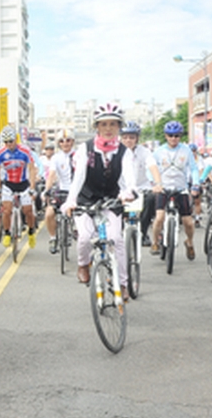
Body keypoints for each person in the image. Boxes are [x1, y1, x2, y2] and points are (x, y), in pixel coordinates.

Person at [60, 102, 139, 297]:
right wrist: (70, 201)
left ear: (119, 127)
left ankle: (122, 283)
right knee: (85, 238)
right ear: (96, 127)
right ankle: (82, 265)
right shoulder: (84, 150)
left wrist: (128, 192)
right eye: (103, 124)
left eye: (113, 124)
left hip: (111, 200)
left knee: (116, 239)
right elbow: (78, 178)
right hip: (86, 200)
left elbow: (130, 179)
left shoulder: (124, 152)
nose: (108, 129)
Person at [151, 121, 200, 260]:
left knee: (188, 222)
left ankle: (189, 242)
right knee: (159, 217)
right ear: (166, 136)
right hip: (163, 188)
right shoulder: (159, 151)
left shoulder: (186, 150)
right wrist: (154, 184)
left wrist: (195, 184)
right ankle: (155, 242)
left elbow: (194, 169)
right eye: (170, 135)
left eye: (177, 136)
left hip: (181, 189)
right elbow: (151, 168)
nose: (174, 138)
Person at [118, 121, 162, 247]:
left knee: (151, 199)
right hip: (121, 188)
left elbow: (152, 166)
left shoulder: (144, 152)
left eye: (132, 137)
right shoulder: (116, 152)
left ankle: (143, 232)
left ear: (137, 138)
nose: (128, 140)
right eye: (125, 137)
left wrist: (158, 183)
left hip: (142, 187)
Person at [0, 126, 38, 248]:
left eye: (11, 141)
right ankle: (7, 233)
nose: (8, 144)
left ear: (16, 140)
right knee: (6, 210)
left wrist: (32, 187)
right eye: (6, 142)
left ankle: (31, 231)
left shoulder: (25, 151)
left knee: (27, 211)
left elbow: (31, 169)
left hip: (23, 184)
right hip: (8, 184)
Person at [43, 129, 77, 254]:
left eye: (68, 140)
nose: (65, 143)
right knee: (49, 213)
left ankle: (74, 229)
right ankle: (53, 238)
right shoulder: (56, 158)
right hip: (62, 191)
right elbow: (51, 175)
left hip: (77, 192)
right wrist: (47, 190)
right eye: (62, 141)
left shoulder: (79, 155)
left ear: (72, 142)